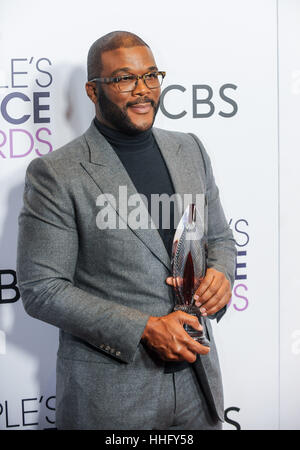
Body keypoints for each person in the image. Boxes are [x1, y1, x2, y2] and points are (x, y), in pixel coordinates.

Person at [17, 31, 236, 430]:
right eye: (124, 79)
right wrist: (145, 328)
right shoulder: (57, 173)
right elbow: (41, 289)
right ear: (92, 90)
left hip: (197, 383)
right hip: (110, 395)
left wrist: (222, 273)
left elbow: (219, 238)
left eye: (151, 76)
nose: (143, 91)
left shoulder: (189, 148)